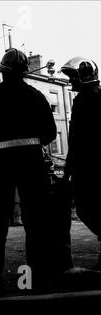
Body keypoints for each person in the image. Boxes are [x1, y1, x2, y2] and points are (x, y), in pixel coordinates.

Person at [0, 48, 57, 293]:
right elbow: (50, 132)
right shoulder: (37, 96)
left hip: (2, 164)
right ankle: (32, 278)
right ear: (24, 72)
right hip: (31, 163)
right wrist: (31, 143)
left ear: (3, 71)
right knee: (34, 222)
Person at [61, 57, 101, 269]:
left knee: (87, 208)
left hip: (88, 165)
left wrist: (68, 170)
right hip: (94, 163)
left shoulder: (84, 99)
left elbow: (76, 138)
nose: (70, 82)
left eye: (72, 77)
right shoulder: (97, 95)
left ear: (82, 76)